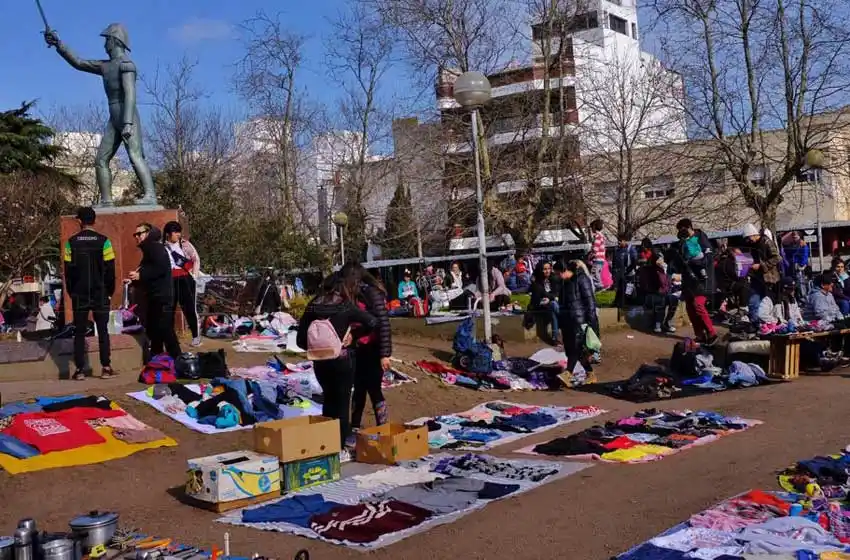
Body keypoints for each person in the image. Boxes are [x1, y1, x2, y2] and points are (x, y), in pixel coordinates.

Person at [296, 273, 377, 454]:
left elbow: (300, 340)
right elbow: (373, 321)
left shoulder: (312, 306)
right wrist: (354, 336)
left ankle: (327, 444)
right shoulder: (346, 306)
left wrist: (317, 345)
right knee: (342, 404)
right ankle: (340, 447)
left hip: (320, 362)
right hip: (342, 360)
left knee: (329, 402)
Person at [63, 206, 116, 380]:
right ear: (95, 220)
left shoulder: (71, 243)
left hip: (79, 293)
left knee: (79, 331)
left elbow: (68, 271)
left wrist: (72, 291)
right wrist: (109, 290)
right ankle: (106, 367)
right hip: (100, 292)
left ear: (79, 221)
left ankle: (79, 370)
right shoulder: (105, 241)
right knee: (103, 330)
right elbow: (110, 268)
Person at [342, 262, 393, 441]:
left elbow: (383, 324)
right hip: (359, 348)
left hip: (373, 349)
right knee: (359, 389)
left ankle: (384, 427)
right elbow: (362, 322)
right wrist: (354, 335)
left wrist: (384, 354)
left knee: (374, 389)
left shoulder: (372, 293)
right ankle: (354, 427)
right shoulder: (355, 294)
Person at [128, 223, 182, 360]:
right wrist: (134, 280)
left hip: (162, 297)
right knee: (155, 331)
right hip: (155, 297)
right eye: (135, 235)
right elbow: (146, 270)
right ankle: (156, 360)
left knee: (165, 331)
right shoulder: (149, 249)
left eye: (139, 234)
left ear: (148, 233)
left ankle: (178, 359)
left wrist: (140, 276)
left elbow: (159, 268)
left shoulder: (155, 248)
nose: (137, 237)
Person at [667, 234, 718, 345]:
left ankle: (712, 333)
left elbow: (705, 265)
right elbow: (680, 270)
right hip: (689, 285)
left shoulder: (700, 255)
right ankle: (699, 335)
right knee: (690, 309)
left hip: (700, 285)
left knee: (698, 305)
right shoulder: (683, 259)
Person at [162, 221, 202, 347]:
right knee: (169, 310)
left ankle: (196, 336)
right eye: (175, 232)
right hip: (169, 280)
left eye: (179, 232)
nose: (178, 235)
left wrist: (194, 276)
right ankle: (170, 338)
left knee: (189, 308)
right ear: (168, 233)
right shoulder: (161, 246)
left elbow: (195, 259)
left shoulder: (184, 244)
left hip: (185, 279)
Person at [556, 260, 599, 374]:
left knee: (575, 349)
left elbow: (590, 302)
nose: (558, 276)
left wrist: (591, 322)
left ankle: (568, 373)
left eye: (558, 273)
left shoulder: (582, 279)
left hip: (580, 321)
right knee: (575, 351)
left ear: (564, 270)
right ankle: (589, 372)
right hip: (569, 321)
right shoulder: (565, 283)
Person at [742, 223, 782, 325]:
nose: (748, 241)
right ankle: (755, 323)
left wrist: (761, 266)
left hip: (769, 278)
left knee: (765, 302)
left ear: (753, 234)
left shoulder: (766, 242)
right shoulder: (752, 245)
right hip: (757, 277)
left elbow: (777, 258)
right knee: (753, 301)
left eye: (748, 238)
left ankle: (767, 322)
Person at [639, 252, 676, 334]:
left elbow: (667, 284)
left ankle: (667, 322)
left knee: (674, 300)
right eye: (659, 259)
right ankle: (657, 323)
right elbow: (660, 284)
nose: (661, 261)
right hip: (651, 295)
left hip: (663, 293)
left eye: (662, 259)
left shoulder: (664, 269)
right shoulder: (651, 270)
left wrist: (667, 273)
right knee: (661, 300)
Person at [529, 261, 561, 344]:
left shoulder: (553, 279)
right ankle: (562, 317)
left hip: (551, 305)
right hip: (539, 304)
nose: (547, 271)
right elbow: (541, 294)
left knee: (553, 310)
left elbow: (556, 292)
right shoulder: (536, 282)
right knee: (553, 305)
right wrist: (551, 298)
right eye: (545, 269)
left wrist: (550, 298)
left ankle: (554, 338)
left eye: (549, 269)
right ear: (540, 270)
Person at [782, 231, 810, 300]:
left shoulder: (802, 244)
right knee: (794, 281)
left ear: (799, 236)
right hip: (793, 265)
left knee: (800, 282)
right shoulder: (793, 244)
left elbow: (805, 255)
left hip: (799, 265)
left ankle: (803, 297)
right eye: (793, 236)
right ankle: (797, 297)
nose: (794, 238)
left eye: (796, 236)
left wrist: (801, 265)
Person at [612, 235, 638, 307]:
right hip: (619, 274)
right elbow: (614, 263)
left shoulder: (631, 249)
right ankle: (619, 304)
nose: (619, 243)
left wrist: (627, 271)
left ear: (624, 240)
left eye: (620, 241)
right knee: (620, 290)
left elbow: (634, 262)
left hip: (628, 274)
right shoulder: (617, 250)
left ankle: (629, 304)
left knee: (628, 291)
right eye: (618, 241)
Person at [590, 219, 607, 290]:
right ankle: (598, 286)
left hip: (597, 258)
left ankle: (599, 286)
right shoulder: (601, 236)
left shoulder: (597, 236)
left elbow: (595, 249)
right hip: (601, 259)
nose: (591, 230)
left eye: (591, 228)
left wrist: (590, 256)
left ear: (594, 227)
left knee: (594, 273)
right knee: (597, 273)